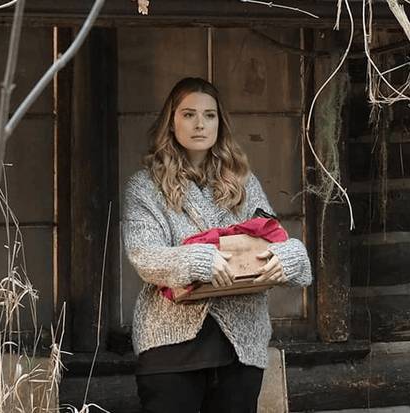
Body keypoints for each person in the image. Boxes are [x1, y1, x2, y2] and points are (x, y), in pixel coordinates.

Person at [122, 77, 312, 413]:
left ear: (220, 123)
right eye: (189, 114)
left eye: (209, 116)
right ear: (171, 121)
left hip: (241, 347)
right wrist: (199, 260)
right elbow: (144, 255)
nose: (200, 124)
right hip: (170, 343)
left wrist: (290, 256)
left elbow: (275, 236)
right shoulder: (145, 187)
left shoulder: (242, 182)